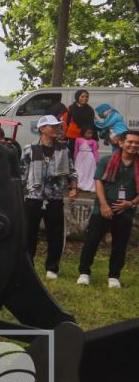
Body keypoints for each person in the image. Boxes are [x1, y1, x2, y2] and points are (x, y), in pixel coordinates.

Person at [77, 130, 139, 288]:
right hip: (103, 208)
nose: (133, 145)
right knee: (92, 241)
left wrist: (130, 203)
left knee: (120, 244)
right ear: (121, 143)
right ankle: (84, 273)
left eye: (136, 143)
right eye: (130, 142)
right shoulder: (106, 160)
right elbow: (98, 183)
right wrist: (104, 205)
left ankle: (114, 276)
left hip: (125, 210)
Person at [21, 115, 76, 280]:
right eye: (52, 126)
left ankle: (52, 267)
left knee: (55, 234)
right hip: (33, 197)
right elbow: (22, 173)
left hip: (55, 197)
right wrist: (19, 193)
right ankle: (28, 265)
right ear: (42, 129)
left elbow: (72, 171)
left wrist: (73, 187)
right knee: (29, 233)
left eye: (57, 126)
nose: (56, 129)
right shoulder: (29, 149)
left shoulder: (63, 150)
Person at [74, 128, 100, 193]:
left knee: (88, 171)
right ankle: (79, 185)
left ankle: (88, 185)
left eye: (91, 133)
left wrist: (97, 159)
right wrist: (75, 157)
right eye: (88, 133)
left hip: (89, 158)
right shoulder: (78, 140)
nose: (90, 135)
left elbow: (95, 151)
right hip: (80, 157)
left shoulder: (93, 141)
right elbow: (76, 149)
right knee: (79, 170)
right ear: (83, 133)